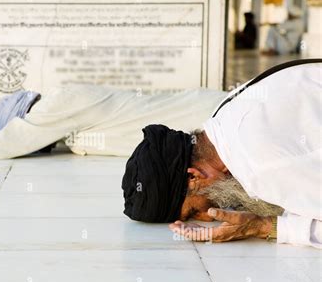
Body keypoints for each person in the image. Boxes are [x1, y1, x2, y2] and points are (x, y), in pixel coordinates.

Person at [122, 59, 321, 248]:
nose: (208, 217)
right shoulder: (223, 115)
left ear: (193, 175)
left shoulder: (258, 164)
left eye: (194, 211)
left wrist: (263, 226)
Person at [0, 85, 227, 170]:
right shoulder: (68, 122)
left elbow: (2, 144)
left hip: (216, 113)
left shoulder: (58, 104)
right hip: (211, 121)